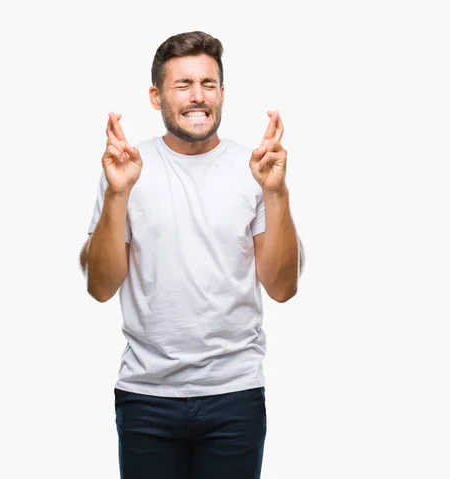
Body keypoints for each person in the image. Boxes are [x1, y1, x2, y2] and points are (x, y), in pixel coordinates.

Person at [79, 30, 304, 479]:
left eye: (208, 84)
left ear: (222, 93)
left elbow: (282, 288)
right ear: (156, 95)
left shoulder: (254, 169)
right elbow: (100, 287)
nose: (198, 97)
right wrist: (117, 195)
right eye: (183, 85)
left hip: (234, 395)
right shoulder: (125, 167)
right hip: (146, 396)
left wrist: (275, 193)